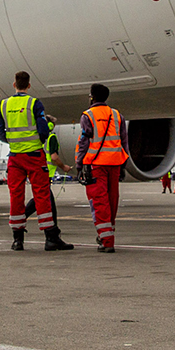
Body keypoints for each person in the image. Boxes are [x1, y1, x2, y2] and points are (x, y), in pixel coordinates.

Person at [0, 71, 71, 251]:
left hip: (14, 158)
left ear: (14, 84)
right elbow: (44, 130)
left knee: (16, 196)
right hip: (34, 156)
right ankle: (51, 238)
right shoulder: (34, 103)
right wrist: (42, 134)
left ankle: (17, 240)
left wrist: (14, 141)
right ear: (29, 85)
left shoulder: (4, 105)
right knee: (42, 195)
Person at [76, 83, 129, 252]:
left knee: (99, 201)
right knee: (112, 200)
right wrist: (124, 164)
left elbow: (84, 142)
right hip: (114, 163)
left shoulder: (88, 115)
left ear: (92, 97)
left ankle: (106, 241)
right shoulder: (116, 115)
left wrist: (79, 164)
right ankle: (108, 235)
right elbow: (124, 141)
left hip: (97, 164)